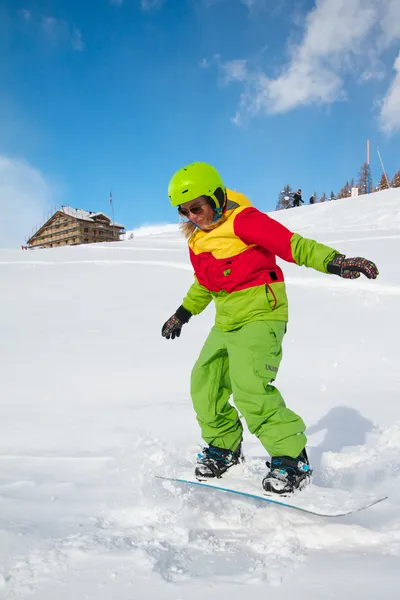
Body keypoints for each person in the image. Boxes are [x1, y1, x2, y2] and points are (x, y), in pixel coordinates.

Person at [161, 162, 379, 495]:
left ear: (216, 197)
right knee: (203, 382)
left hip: (262, 314)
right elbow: (205, 284)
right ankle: (224, 448)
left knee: (250, 387)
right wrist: (182, 313)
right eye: (185, 211)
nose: (193, 216)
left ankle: (292, 459)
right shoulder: (198, 241)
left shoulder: (244, 221)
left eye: (197, 207)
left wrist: (336, 261)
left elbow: (294, 245)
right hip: (227, 319)